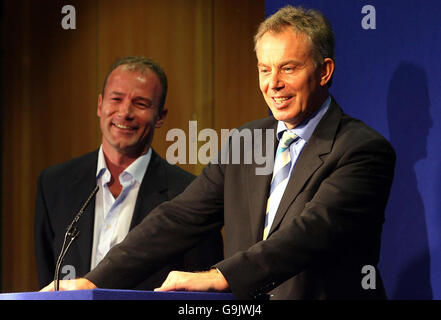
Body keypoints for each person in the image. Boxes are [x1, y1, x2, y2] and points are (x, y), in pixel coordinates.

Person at [42, 6, 396, 299]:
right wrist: (95, 280)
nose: (273, 84)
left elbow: (310, 233)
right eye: (264, 69)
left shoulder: (362, 150)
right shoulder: (246, 141)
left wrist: (219, 276)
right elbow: (179, 218)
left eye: (288, 68)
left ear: (324, 72)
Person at [34, 56, 223, 290]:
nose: (125, 112)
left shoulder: (190, 193)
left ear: (160, 117)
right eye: (116, 99)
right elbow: (48, 281)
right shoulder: (55, 184)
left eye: (141, 103)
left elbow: (199, 289)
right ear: (100, 105)